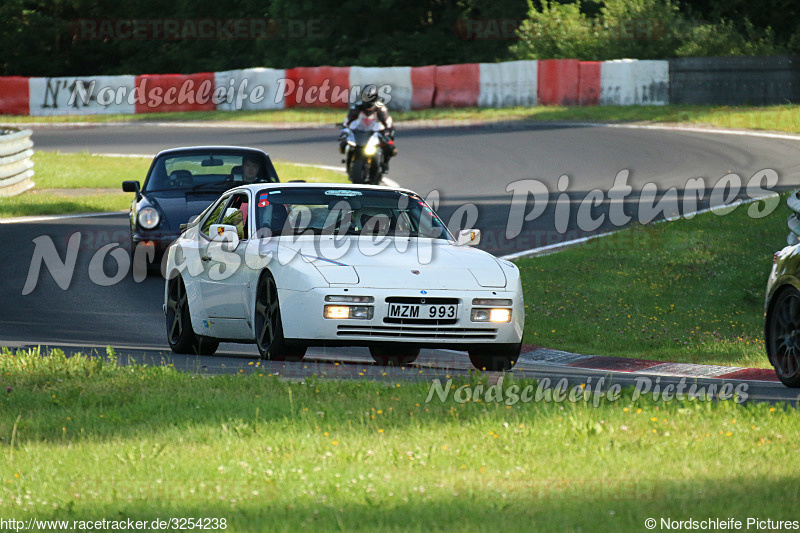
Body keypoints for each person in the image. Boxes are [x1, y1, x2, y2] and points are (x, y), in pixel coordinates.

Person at [340, 85, 397, 173]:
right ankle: (349, 163)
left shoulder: (380, 107)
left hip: (375, 133)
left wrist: (388, 130)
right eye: (366, 97)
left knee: (390, 147)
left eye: (371, 97)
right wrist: (345, 129)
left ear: (375, 97)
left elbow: (387, 121)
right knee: (343, 144)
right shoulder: (357, 107)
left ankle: (385, 164)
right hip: (359, 132)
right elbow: (347, 121)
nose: (368, 99)